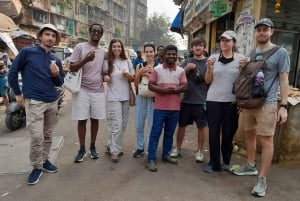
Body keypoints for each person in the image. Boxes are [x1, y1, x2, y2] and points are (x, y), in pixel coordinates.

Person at [232, 18, 290, 197]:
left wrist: (284, 105)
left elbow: (284, 79)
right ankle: (250, 165)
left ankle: (262, 178)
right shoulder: (252, 52)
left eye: (266, 29)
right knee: (249, 135)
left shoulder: (280, 52)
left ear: (272, 31)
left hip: (268, 103)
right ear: (255, 33)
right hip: (250, 103)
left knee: (266, 140)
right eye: (259, 30)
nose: (262, 33)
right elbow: (248, 79)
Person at [8, 24, 64, 185]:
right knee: (36, 136)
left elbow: (60, 81)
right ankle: (36, 166)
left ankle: (45, 160)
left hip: (52, 101)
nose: (50, 38)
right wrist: (18, 94)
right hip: (34, 101)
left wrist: (55, 75)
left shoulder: (56, 59)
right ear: (40, 37)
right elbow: (13, 72)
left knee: (47, 134)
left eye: (53, 36)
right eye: (47, 35)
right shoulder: (27, 53)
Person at [203, 30, 244, 173]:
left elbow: (244, 82)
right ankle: (213, 162)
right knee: (213, 133)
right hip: (213, 100)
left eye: (227, 40)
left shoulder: (241, 59)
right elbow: (207, 81)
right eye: (222, 40)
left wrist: (241, 102)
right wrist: (208, 68)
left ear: (234, 43)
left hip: (232, 102)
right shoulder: (213, 58)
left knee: (228, 133)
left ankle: (226, 159)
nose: (224, 43)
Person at [146, 44, 188, 172]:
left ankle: (166, 155)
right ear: (164, 55)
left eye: (173, 54)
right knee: (155, 133)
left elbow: (185, 87)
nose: (171, 56)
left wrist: (173, 90)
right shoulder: (157, 70)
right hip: (160, 108)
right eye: (168, 54)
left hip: (175, 108)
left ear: (176, 56)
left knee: (169, 133)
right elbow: (151, 86)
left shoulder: (181, 71)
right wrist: (163, 90)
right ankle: (151, 159)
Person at [69, 23, 106, 163]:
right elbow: (72, 67)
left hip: (98, 90)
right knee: (82, 119)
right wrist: (85, 59)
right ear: (89, 32)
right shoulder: (80, 47)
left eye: (99, 32)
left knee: (95, 119)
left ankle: (92, 147)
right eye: (94, 31)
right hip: (82, 89)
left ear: (101, 35)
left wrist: (107, 74)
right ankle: (82, 149)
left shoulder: (102, 52)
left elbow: (103, 70)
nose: (96, 33)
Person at [170, 38, 209, 163]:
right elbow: (176, 77)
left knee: (202, 127)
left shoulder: (208, 63)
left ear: (204, 48)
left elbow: (210, 80)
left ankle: (200, 151)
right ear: (192, 48)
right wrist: (186, 69)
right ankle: (178, 148)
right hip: (186, 100)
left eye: (200, 45)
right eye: (195, 46)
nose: (198, 48)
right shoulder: (186, 62)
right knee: (181, 125)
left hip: (201, 100)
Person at [103, 39, 135, 163]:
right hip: (113, 97)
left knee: (122, 125)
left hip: (125, 97)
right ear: (111, 48)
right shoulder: (107, 62)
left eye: (119, 46)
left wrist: (128, 76)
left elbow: (133, 78)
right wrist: (105, 77)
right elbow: (102, 75)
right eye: (114, 46)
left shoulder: (127, 61)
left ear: (122, 48)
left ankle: (111, 144)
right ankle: (115, 151)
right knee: (116, 125)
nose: (117, 49)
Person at [133, 43, 159, 158]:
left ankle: (150, 148)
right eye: (147, 51)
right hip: (141, 96)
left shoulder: (159, 66)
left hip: (154, 98)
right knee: (139, 124)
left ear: (155, 52)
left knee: (152, 124)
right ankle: (140, 147)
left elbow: (161, 84)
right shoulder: (139, 65)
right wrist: (139, 73)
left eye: (151, 51)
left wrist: (150, 75)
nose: (149, 54)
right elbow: (135, 83)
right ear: (144, 53)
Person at [0, 41, 11, 108]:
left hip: (2, 77)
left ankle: (8, 109)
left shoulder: (4, 55)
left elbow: (2, 63)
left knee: (4, 94)